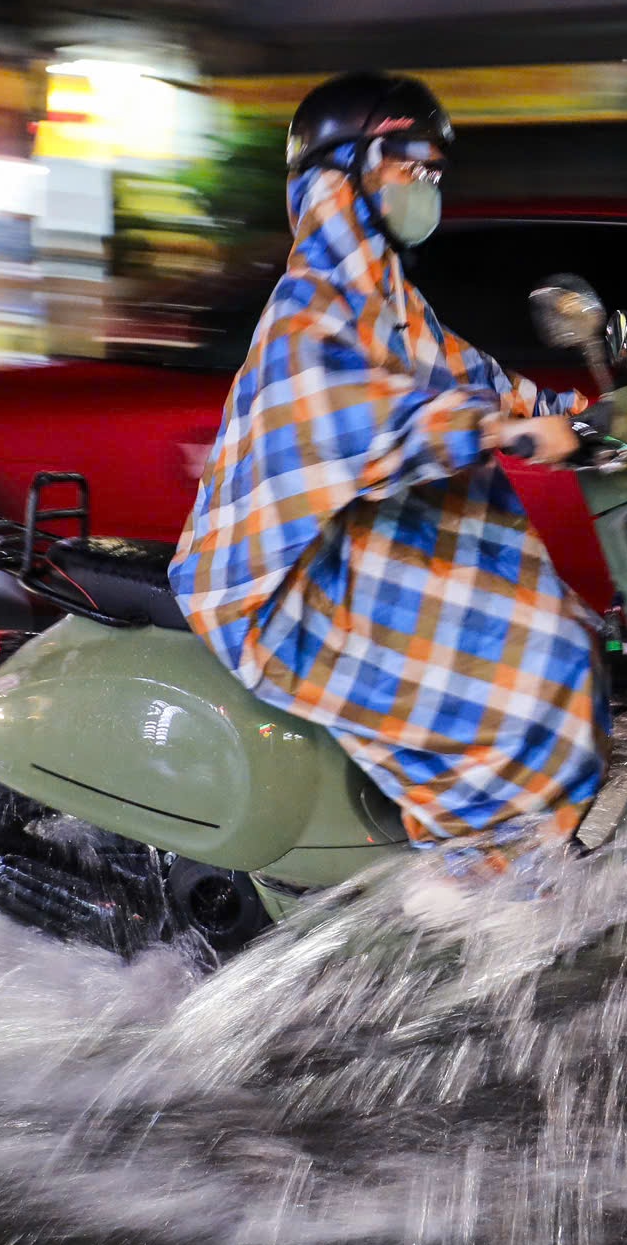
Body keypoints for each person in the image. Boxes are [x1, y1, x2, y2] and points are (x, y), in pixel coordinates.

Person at [168, 72, 604, 884]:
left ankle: (518, 852)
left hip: (347, 554)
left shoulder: (390, 303)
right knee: (518, 676)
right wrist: (501, 430)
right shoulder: (310, 309)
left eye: (434, 173)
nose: (425, 188)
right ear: (345, 177)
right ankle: (471, 887)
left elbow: (472, 377)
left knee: (572, 639)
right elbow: (373, 421)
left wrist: (577, 412)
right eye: (410, 166)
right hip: (279, 586)